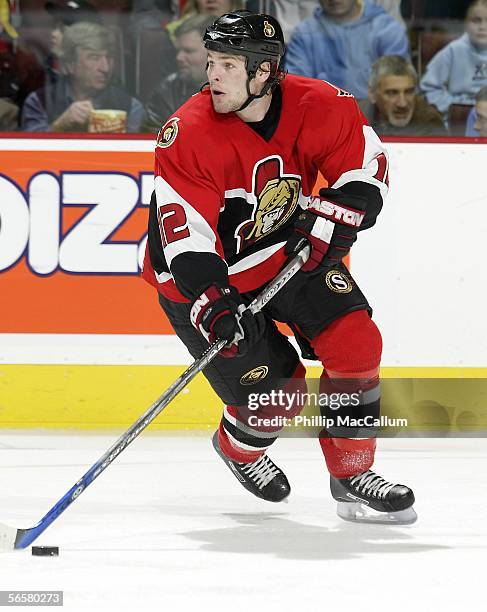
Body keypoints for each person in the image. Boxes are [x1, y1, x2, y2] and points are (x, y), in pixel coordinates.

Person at [142, 10, 417, 524]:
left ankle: (352, 472)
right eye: (211, 62)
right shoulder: (188, 132)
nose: (212, 75)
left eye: (227, 64)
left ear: (264, 72)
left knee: (355, 342)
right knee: (278, 400)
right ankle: (238, 447)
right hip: (200, 280)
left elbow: (366, 168)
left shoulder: (321, 103)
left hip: (283, 253)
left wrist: (344, 211)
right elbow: (186, 239)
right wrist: (214, 303)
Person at [21, 22, 144, 132]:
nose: (105, 68)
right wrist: (60, 126)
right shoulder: (39, 101)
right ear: (70, 65)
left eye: (109, 57)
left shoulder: (130, 106)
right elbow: (27, 153)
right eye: (94, 58)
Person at [285, 0, 409, 99]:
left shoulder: (386, 29)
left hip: (375, 120)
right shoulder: (303, 34)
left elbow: (398, 88)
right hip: (322, 117)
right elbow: (296, 89)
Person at [142, 14, 214, 132]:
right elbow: (153, 143)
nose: (179, 58)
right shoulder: (165, 94)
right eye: (178, 51)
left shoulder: (241, 91)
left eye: (188, 51)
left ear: (214, 53)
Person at [420, 0, 487, 118]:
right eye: (476, 21)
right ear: (465, 24)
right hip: (458, 120)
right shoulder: (453, 50)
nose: (482, 27)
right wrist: (451, 107)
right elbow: (427, 88)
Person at [360, 55, 447, 136]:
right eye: (392, 93)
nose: (402, 104)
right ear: (372, 94)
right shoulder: (353, 119)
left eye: (409, 92)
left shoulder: (430, 123)